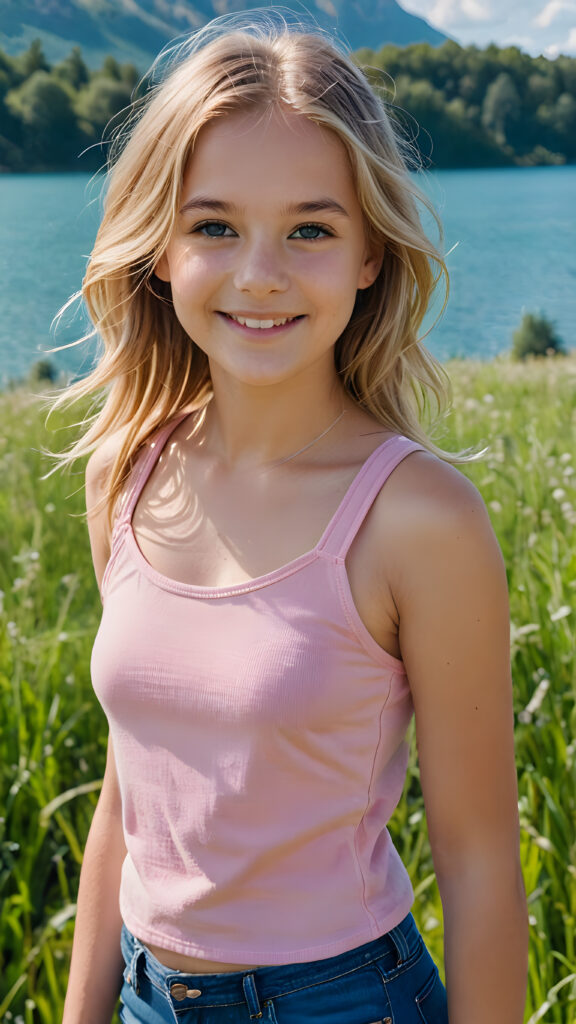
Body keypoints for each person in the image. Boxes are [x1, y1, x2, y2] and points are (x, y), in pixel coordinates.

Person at [59, 10, 528, 1024]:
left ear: (369, 256)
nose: (260, 272)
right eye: (215, 225)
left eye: (311, 229)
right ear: (160, 251)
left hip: (344, 1002)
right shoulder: (125, 475)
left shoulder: (417, 518)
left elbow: (484, 862)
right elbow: (126, 801)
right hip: (144, 995)